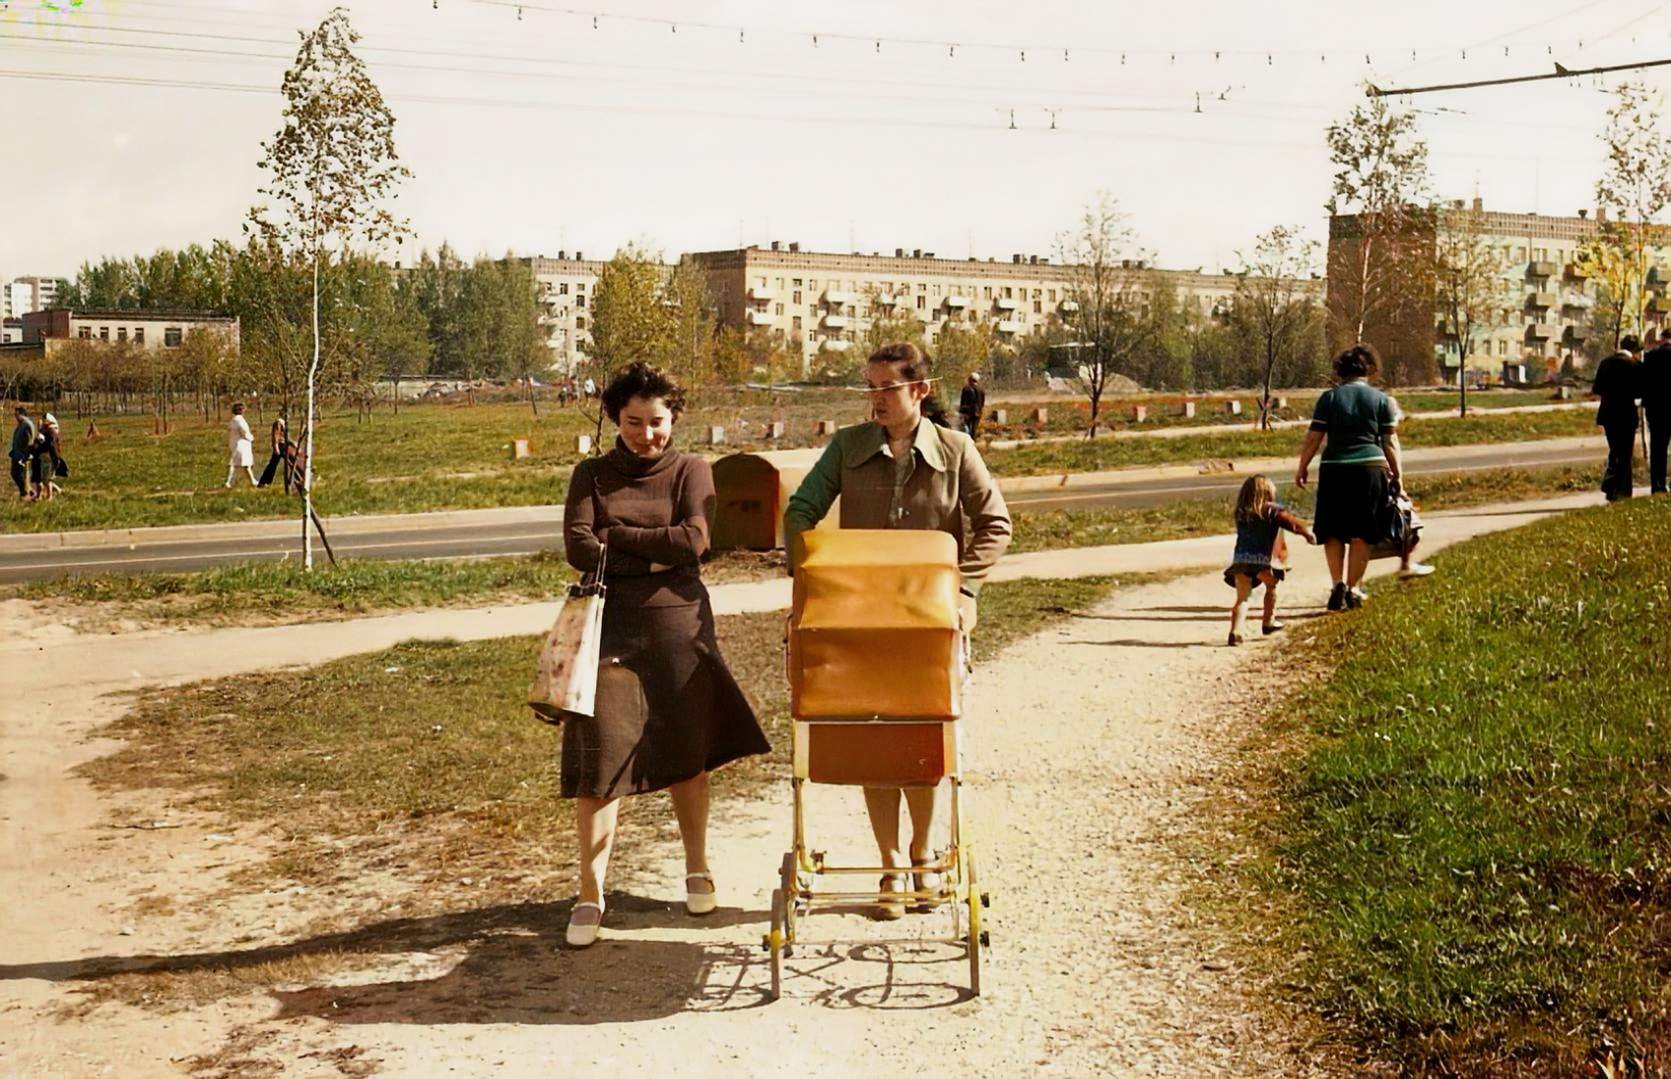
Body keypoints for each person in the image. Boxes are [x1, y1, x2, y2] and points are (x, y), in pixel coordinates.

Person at [783, 342, 1012, 919]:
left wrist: (965, 590)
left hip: (931, 622)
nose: (876, 399)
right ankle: (889, 865)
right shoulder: (847, 447)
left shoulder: (957, 451)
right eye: (870, 387)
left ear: (921, 390)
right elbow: (800, 512)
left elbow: (995, 524)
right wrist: (814, 579)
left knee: (923, 737)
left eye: (887, 388)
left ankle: (923, 856)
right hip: (858, 620)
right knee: (874, 740)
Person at [560, 361, 770, 948]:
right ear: (614, 420)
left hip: (680, 630)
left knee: (687, 753)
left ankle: (697, 867)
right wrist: (655, 552)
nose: (646, 435)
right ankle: (589, 892)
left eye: (657, 422)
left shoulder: (692, 470)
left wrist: (616, 536)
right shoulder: (591, 474)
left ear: (673, 418)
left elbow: (695, 543)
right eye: (633, 422)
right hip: (610, 631)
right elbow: (579, 549)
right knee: (599, 762)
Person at [1294, 343, 1404, 612]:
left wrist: (1302, 466)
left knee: (1332, 531)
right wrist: (1398, 474)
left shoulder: (1329, 399)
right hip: (1370, 469)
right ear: (1370, 370)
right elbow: (1390, 441)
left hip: (1335, 468)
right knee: (1362, 533)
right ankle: (1354, 587)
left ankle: (1336, 585)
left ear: (1340, 371)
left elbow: (1313, 438)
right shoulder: (1382, 400)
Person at [1224, 474, 1317, 646]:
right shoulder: (1271, 510)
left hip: (1241, 560)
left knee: (1242, 598)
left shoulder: (1241, 512)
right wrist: (1307, 533)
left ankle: (1235, 631)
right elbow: (1293, 524)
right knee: (1272, 586)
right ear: (1268, 492)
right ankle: (1268, 621)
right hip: (1264, 560)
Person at [1592, 334, 1643, 503]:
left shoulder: (1605, 363)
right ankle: (1622, 489)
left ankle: (1611, 487)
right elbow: (1640, 391)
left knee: (1615, 450)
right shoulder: (1635, 365)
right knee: (1625, 453)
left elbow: (1597, 388)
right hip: (1626, 414)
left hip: (1608, 414)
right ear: (1635, 350)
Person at [1641, 328, 1671, 494]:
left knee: (1658, 449)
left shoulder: (1650, 357)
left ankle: (1657, 485)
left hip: (1656, 409)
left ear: (1661, 338)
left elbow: (1644, 383)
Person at [28, 412, 66, 500]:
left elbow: (50, 446)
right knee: (44, 478)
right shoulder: (44, 433)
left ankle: (50, 496)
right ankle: (57, 490)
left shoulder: (50, 433)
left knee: (47, 479)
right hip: (43, 457)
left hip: (49, 457)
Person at [225, 403, 257, 489]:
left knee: (238, 464)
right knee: (240, 464)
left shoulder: (232, 421)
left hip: (234, 443)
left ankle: (252, 480)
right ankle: (229, 482)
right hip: (242, 445)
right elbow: (245, 433)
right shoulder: (240, 421)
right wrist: (251, 438)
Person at [256, 416, 293, 490]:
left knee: (273, 464)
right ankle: (264, 482)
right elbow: (275, 435)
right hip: (280, 446)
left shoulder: (284, 422)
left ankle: (264, 482)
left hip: (284, 444)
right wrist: (276, 447)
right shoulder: (279, 422)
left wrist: (292, 443)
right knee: (275, 464)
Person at [9, 406, 36, 500]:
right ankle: (28, 491)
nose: (15, 417)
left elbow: (29, 441)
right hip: (16, 454)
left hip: (22, 455)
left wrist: (25, 454)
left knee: (18, 474)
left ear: (22, 414)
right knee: (15, 473)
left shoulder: (26, 425)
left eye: (17, 414)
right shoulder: (20, 425)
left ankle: (25, 493)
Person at [958, 371, 986, 439]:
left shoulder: (966, 389)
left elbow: (963, 401)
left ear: (970, 379)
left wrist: (961, 411)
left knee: (966, 427)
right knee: (974, 429)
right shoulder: (981, 390)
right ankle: (973, 441)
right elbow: (982, 402)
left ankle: (967, 441)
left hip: (968, 412)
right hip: (977, 412)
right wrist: (980, 410)